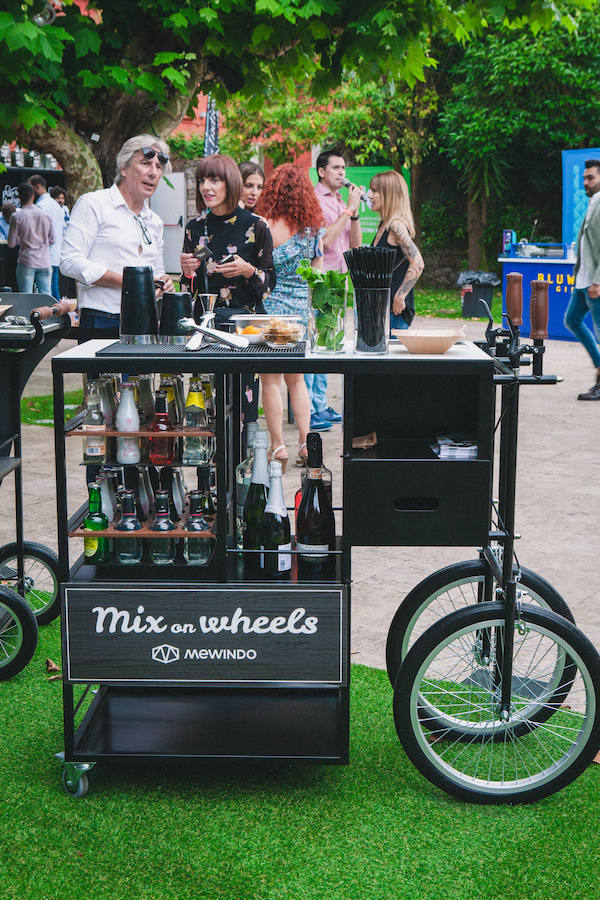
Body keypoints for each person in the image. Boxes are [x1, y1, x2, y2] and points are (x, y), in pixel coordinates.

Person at [60, 134, 174, 338]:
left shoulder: (154, 221)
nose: (153, 172)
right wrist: (128, 282)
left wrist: (163, 283)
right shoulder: (94, 203)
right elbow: (69, 261)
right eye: (146, 163)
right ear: (123, 168)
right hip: (101, 319)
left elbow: (157, 271)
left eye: (158, 167)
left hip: (144, 322)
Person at [255, 163, 325, 467]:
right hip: (299, 313)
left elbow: (259, 272)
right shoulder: (312, 230)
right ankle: (306, 443)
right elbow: (318, 274)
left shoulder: (265, 224)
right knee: (297, 381)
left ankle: (277, 445)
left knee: (270, 381)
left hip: (271, 311)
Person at [180, 154, 275, 324]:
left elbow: (268, 286)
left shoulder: (256, 225)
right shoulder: (194, 228)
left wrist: (248, 270)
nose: (205, 187)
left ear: (231, 183)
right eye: (201, 181)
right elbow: (187, 292)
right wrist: (188, 272)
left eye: (214, 180)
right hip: (205, 327)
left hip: (247, 328)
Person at [307, 149, 363, 431]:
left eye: (344, 168)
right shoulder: (315, 201)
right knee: (316, 342)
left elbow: (355, 245)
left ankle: (320, 402)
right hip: (320, 278)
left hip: (339, 278)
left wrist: (352, 215)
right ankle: (310, 408)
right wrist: (348, 211)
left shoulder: (341, 201)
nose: (342, 172)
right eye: (336, 168)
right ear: (321, 171)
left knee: (329, 342)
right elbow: (324, 242)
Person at [368, 170, 424, 334]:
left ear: (389, 195)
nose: (369, 195)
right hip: (380, 311)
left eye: (375, 191)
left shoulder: (396, 225)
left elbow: (418, 262)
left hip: (394, 314)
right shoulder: (384, 224)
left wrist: (400, 296)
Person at [564, 158, 600, 400]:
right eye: (584, 178)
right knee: (572, 319)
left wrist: (597, 280)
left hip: (595, 282)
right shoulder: (592, 203)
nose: (585, 182)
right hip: (583, 281)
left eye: (591, 178)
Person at [7, 182, 54, 294]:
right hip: (44, 260)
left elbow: (11, 243)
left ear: (19, 197)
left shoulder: (17, 216)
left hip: (27, 260)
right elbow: (52, 240)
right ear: (33, 196)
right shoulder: (46, 215)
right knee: (46, 296)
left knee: (26, 296)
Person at [28, 175, 65, 300]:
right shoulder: (56, 205)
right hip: (55, 253)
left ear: (37, 187)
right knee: (53, 289)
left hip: (44, 255)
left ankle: (58, 317)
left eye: (30, 187)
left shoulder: (41, 206)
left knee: (47, 294)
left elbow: (38, 233)